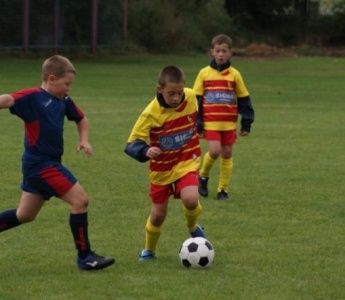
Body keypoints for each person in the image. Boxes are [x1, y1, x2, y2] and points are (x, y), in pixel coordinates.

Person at [0, 55, 115, 271]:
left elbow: (81, 118)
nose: (68, 89)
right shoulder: (33, 97)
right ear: (51, 78)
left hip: (46, 163)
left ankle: (85, 257)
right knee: (80, 200)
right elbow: (7, 99)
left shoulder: (63, 100)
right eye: (66, 84)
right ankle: (85, 257)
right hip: (40, 165)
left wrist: (84, 139)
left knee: (24, 215)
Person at [125, 66, 205, 261]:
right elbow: (131, 144)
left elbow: (198, 111)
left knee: (191, 199)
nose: (176, 98)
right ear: (159, 88)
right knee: (158, 215)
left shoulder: (191, 96)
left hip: (187, 161)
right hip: (161, 170)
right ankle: (149, 250)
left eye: (179, 92)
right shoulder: (150, 114)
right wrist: (145, 150)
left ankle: (193, 227)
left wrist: (200, 126)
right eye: (171, 93)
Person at [193, 34, 255, 200]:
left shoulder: (234, 75)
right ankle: (203, 176)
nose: (221, 54)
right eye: (218, 51)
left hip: (228, 124)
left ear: (230, 53)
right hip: (211, 123)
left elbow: (244, 99)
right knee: (214, 151)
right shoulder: (204, 74)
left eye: (224, 51)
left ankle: (223, 190)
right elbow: (196, 100)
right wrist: (197, 123)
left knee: (227, 154)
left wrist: (246, 123)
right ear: (212, 52)